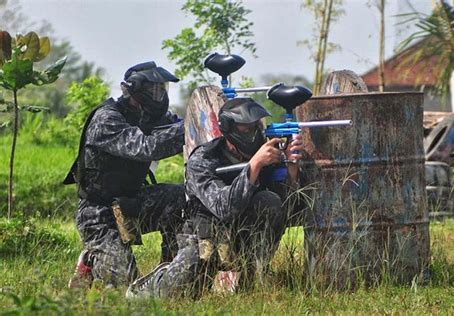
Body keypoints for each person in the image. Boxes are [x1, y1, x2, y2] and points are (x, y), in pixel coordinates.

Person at [126, 97, 303, 298]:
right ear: (229, 129)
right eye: (247, 128)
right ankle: (151, 285)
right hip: (202, 241)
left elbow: (288, 207)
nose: (254, 134)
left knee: (269, 202)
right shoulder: (203, 159)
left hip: (239, 239)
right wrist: (254, 166)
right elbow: (224, 208)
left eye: (257, 127)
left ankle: (251, 282)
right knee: (181, 293)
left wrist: (291, 169)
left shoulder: (265, 155)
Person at [64, 61, 186, 288]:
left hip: (132, 201)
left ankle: (170, 267)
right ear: (135, 89)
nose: (160, 95)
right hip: (98, 213)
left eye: (162, 90)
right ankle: (91, 260)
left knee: (182, 198)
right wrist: (188, 127)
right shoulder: (107, 118)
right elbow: (144, 147)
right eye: (154, 90)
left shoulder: (152, 117)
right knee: (123, 284)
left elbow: (179, 128)